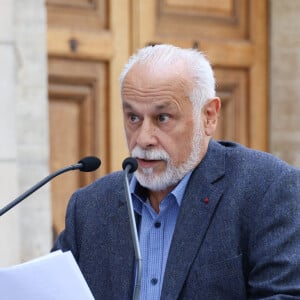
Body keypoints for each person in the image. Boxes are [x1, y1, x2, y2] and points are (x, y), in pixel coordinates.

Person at [52, 44, 300, 299]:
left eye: (162, 118)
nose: (143, 138)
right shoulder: (90, 207)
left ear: (209, 116)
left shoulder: (268, 190)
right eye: (133, 118)